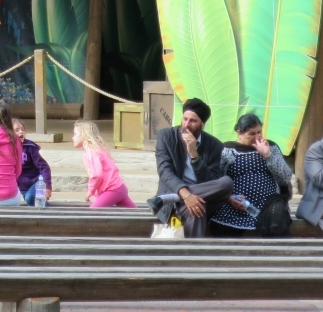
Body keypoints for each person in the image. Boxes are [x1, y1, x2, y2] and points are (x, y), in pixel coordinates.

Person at [148, 97, 234, 238]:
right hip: (175, 203)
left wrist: (194, 155)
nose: (187, 124)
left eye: (193, 121)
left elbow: (211, 180)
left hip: (202, 197)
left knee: (227, 183)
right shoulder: (166, 136)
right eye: (185, 119)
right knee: (197, 211)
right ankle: (195, 258)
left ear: (202, 124)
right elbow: (165, 171)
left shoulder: (214, 145)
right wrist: (186, 195)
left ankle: (170, 198)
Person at [210, 113, 293, 235]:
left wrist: (267, 155)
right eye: (252, 134)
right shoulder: (227, 150)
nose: (257, 137)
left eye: (259, 132)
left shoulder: (271, 147)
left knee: (278, 220)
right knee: (221, 225)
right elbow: (217, 179)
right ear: (239, 133)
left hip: (268, 204)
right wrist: (228, 198)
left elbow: (285, 177)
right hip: (236, 203)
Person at [73, 120, 135, 208]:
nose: (73, 138)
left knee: (92, 214)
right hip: (118, 188)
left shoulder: (91, 150)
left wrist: (90, 191)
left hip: (112, 189)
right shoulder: (94, 149)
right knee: (133, 213)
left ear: (84, 135)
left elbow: (97, 175)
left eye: (75, 134)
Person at [13, 119, 52, 205]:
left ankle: (48, 215)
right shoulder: (8, 149)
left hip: (35, 183)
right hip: (20, 187)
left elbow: (44, 167)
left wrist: (47, 186)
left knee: (30, 197)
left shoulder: (30, 147)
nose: (21, 132)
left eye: (22, 129)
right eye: (16, 130)